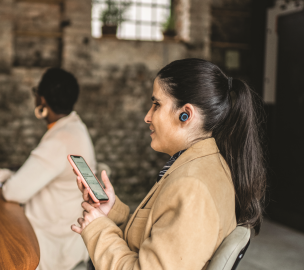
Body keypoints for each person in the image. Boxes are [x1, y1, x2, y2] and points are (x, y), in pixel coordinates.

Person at [71, 58, 266, 269]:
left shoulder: (192, 187)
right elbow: (155, 234)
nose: (147, 117)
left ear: (186, 114)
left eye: (156, 105)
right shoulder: (203, 164)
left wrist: (97, 230)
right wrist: (111, 211)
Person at [0, 68, 95, 270]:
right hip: (71, 242)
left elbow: (13, 192)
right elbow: (42, 175)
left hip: (54, 249)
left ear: (42, 100)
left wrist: (5, 180)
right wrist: (1, 174)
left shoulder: (60, 139)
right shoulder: (75, 127)